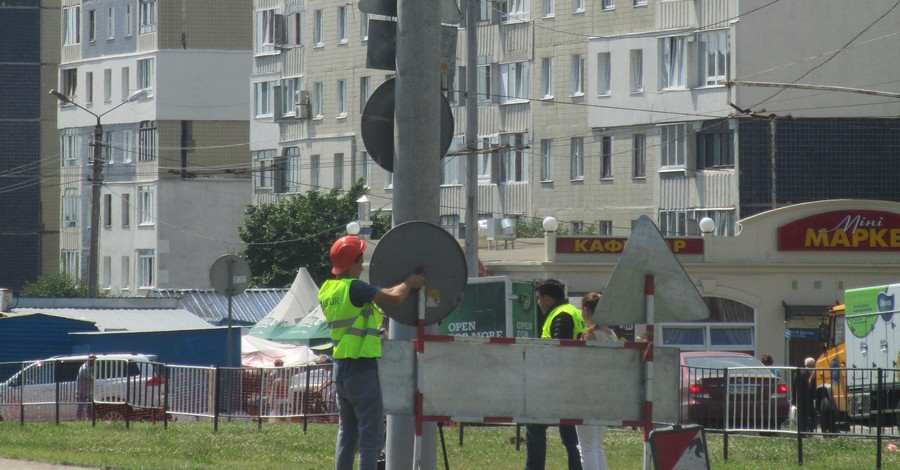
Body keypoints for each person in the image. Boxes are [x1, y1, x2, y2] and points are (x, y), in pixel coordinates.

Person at [319, 235, 426, 470]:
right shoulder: (355, 287)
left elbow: (380, 294)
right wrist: (409, 283)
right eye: (361, 260)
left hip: (341, 369)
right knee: (371, 436)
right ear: (353, 263)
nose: (362, 265)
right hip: (361, 368)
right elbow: (395, 297)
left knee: (347, 434)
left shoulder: (328, 289)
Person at [526, 279, 585, 470]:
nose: (538, 303)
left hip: (559, 382)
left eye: (539, 298)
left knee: (535, 424)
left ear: (548, 299)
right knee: (571, 433)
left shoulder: (560, 316)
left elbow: (560, 349)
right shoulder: (572, 311)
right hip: (574, 381)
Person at [575, 292, 617, 470]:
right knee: (597, 445)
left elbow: (585, 366)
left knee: (586, 447)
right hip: (607, 393)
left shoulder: (590, 336)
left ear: (586, 310)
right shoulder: (610, 333)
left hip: (589, 393)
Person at [792, 357, 817, 432]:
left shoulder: (798, 373)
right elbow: (810, 386)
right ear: (812, 365)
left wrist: (793, 399)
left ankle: (802, 430)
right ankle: (810, 429)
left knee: (801, 415)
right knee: (810, 414)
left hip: (799, 397)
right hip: (808, 397)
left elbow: (793, 386)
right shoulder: (809, 374)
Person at [75, 354, 96, 420]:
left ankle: (90, 419)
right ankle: (78, 419)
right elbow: (90, 379)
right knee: (81, 406)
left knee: (90, 406)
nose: (95, 362)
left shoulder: (93, 367)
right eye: (94, 360)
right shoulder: (84, 368)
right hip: (82, 391)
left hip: (89, 391)